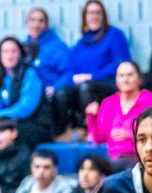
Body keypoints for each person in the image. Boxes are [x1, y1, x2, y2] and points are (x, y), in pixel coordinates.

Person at [51, 1, 130, 135]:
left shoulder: (115, 35)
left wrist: (92, 76)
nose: (94, 16)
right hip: (84, 85)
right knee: (62, 93)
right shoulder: (81, 44)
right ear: (85, 18)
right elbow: (71, 70)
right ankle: (61, 133)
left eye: (97, 12)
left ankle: (93, 131)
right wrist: (56, 87)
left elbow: (122, 63)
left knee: (86, 87)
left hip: (109, 85)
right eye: (90, 13)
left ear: (103, 16)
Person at [0, 36, 52, 149]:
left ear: (21, 54)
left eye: (13, 51)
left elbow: (25, 109)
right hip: (10, 123)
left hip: (34, 124)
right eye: (5, 52)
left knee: (6, 135)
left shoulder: (31, 74)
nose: (9, 56)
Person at [86, 61, 152, 165]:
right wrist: (92, 117)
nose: (125, 80)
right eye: (121, 75)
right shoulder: (108, 103)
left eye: (130, 75)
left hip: (142, 157)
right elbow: (99, 139)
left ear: (139, 79)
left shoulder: (149, 100)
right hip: (114, 159)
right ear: (116, 80)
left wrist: (130, 135)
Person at [23, 8, 69, 90]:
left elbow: (68, 72)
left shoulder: (58, 46)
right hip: (28, 94)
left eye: (41, 21)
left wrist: (55, 88)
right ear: (27, 23)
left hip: (51, 95)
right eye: (32, 20)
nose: (36, 25)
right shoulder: (21, 47)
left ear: (46, 24)